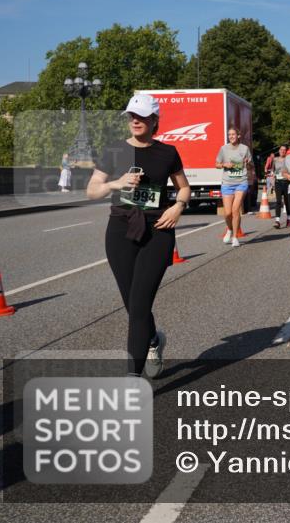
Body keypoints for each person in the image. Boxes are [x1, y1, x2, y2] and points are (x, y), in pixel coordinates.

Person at [87, 93, 191, 378]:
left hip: (158, 230)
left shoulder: (167, 153)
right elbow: (92, 190)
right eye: (132, 115)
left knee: (140, 303)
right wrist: (115, 183)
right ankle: (154, 340)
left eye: (142, 116)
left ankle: (132, 377)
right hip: (121, 231)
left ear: (155, 120)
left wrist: (178, 208)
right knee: (133, 306)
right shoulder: (114, 151)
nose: (135, 120)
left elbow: (184, 187)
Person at [216, 127, 252, 247]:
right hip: (227, 183)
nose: (231, 136)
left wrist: (248, 163)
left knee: (235, 210)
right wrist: (224, 164)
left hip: (241, 182)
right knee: (227, 213)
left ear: (239, 135)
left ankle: (235, 237)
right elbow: (216, 164)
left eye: (233, 134)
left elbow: (251, 166)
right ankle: (230, 229)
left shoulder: (244, 149)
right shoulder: (223, 149)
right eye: (229, 134)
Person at [271, 145, 289, 228]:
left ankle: (289, 219)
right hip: (278, 182)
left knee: (287, 201)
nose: (283, 151)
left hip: (287, 182)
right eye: (281, 150)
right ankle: (277, 221)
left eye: (284, 150)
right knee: (278, 201)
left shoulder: (289, 159)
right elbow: (273, 171)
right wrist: (272, 183)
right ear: (279, 151)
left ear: (286, 151)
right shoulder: (275, 160)